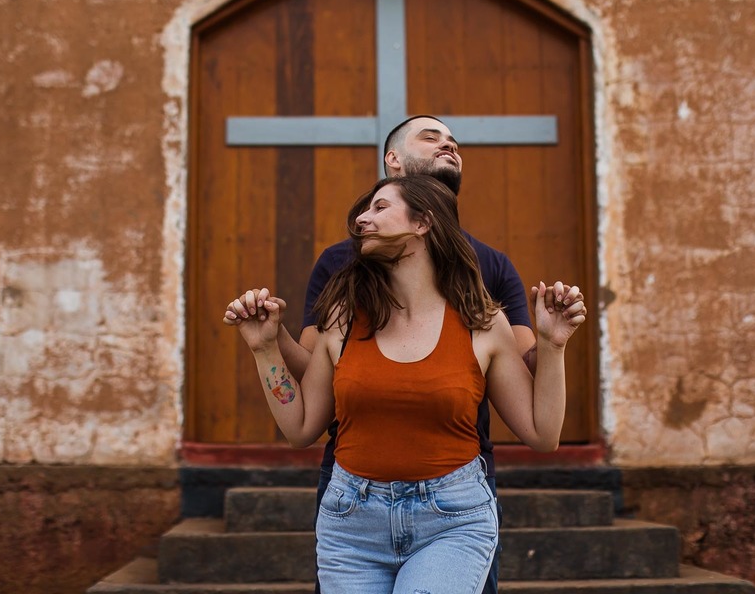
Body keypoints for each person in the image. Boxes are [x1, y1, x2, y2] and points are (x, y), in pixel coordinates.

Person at [225, 174, 586, 593]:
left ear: (423, 223)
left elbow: (543, 435)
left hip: (452, 521)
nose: (363, 219)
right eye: (364, 211)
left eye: (380, 208)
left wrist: (552, 344)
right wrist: (264, 347)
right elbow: (300, 428)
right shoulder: (342, 318)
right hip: (352, 524)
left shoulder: (482, 323)